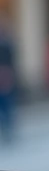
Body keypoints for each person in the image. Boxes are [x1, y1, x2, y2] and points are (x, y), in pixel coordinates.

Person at [0, 15, 15, 144]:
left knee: (7, 106)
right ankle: (7, 129)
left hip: (6, 79)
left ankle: (9, 129)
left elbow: (12, 62)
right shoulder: (8, 43)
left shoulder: (7, 44)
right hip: (5, 78)